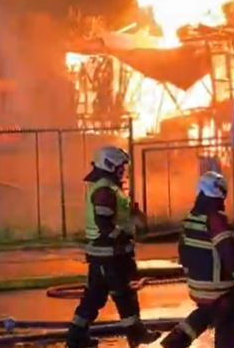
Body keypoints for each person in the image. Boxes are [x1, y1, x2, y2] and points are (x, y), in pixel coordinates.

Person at [66, 147, 159, 348]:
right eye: (120, 167)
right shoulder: (105, 190)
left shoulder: (107, 186)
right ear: (109, 165)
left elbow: (114, 216)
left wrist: (132, 215)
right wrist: (121, 239)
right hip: (110, 255)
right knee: (124, 295)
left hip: (103, 255)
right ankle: (137, 334)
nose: (123, 170)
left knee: (94, 298)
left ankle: (76, 338)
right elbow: (104, 222)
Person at [160, 172, 234, 348]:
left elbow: (183, 250)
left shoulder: (191, 219)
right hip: (217, 288)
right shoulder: (215, 220)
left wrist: (190, 274)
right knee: (229, 317)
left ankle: (174, 342)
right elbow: (229, 253)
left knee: (206, 313)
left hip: (198, 286)